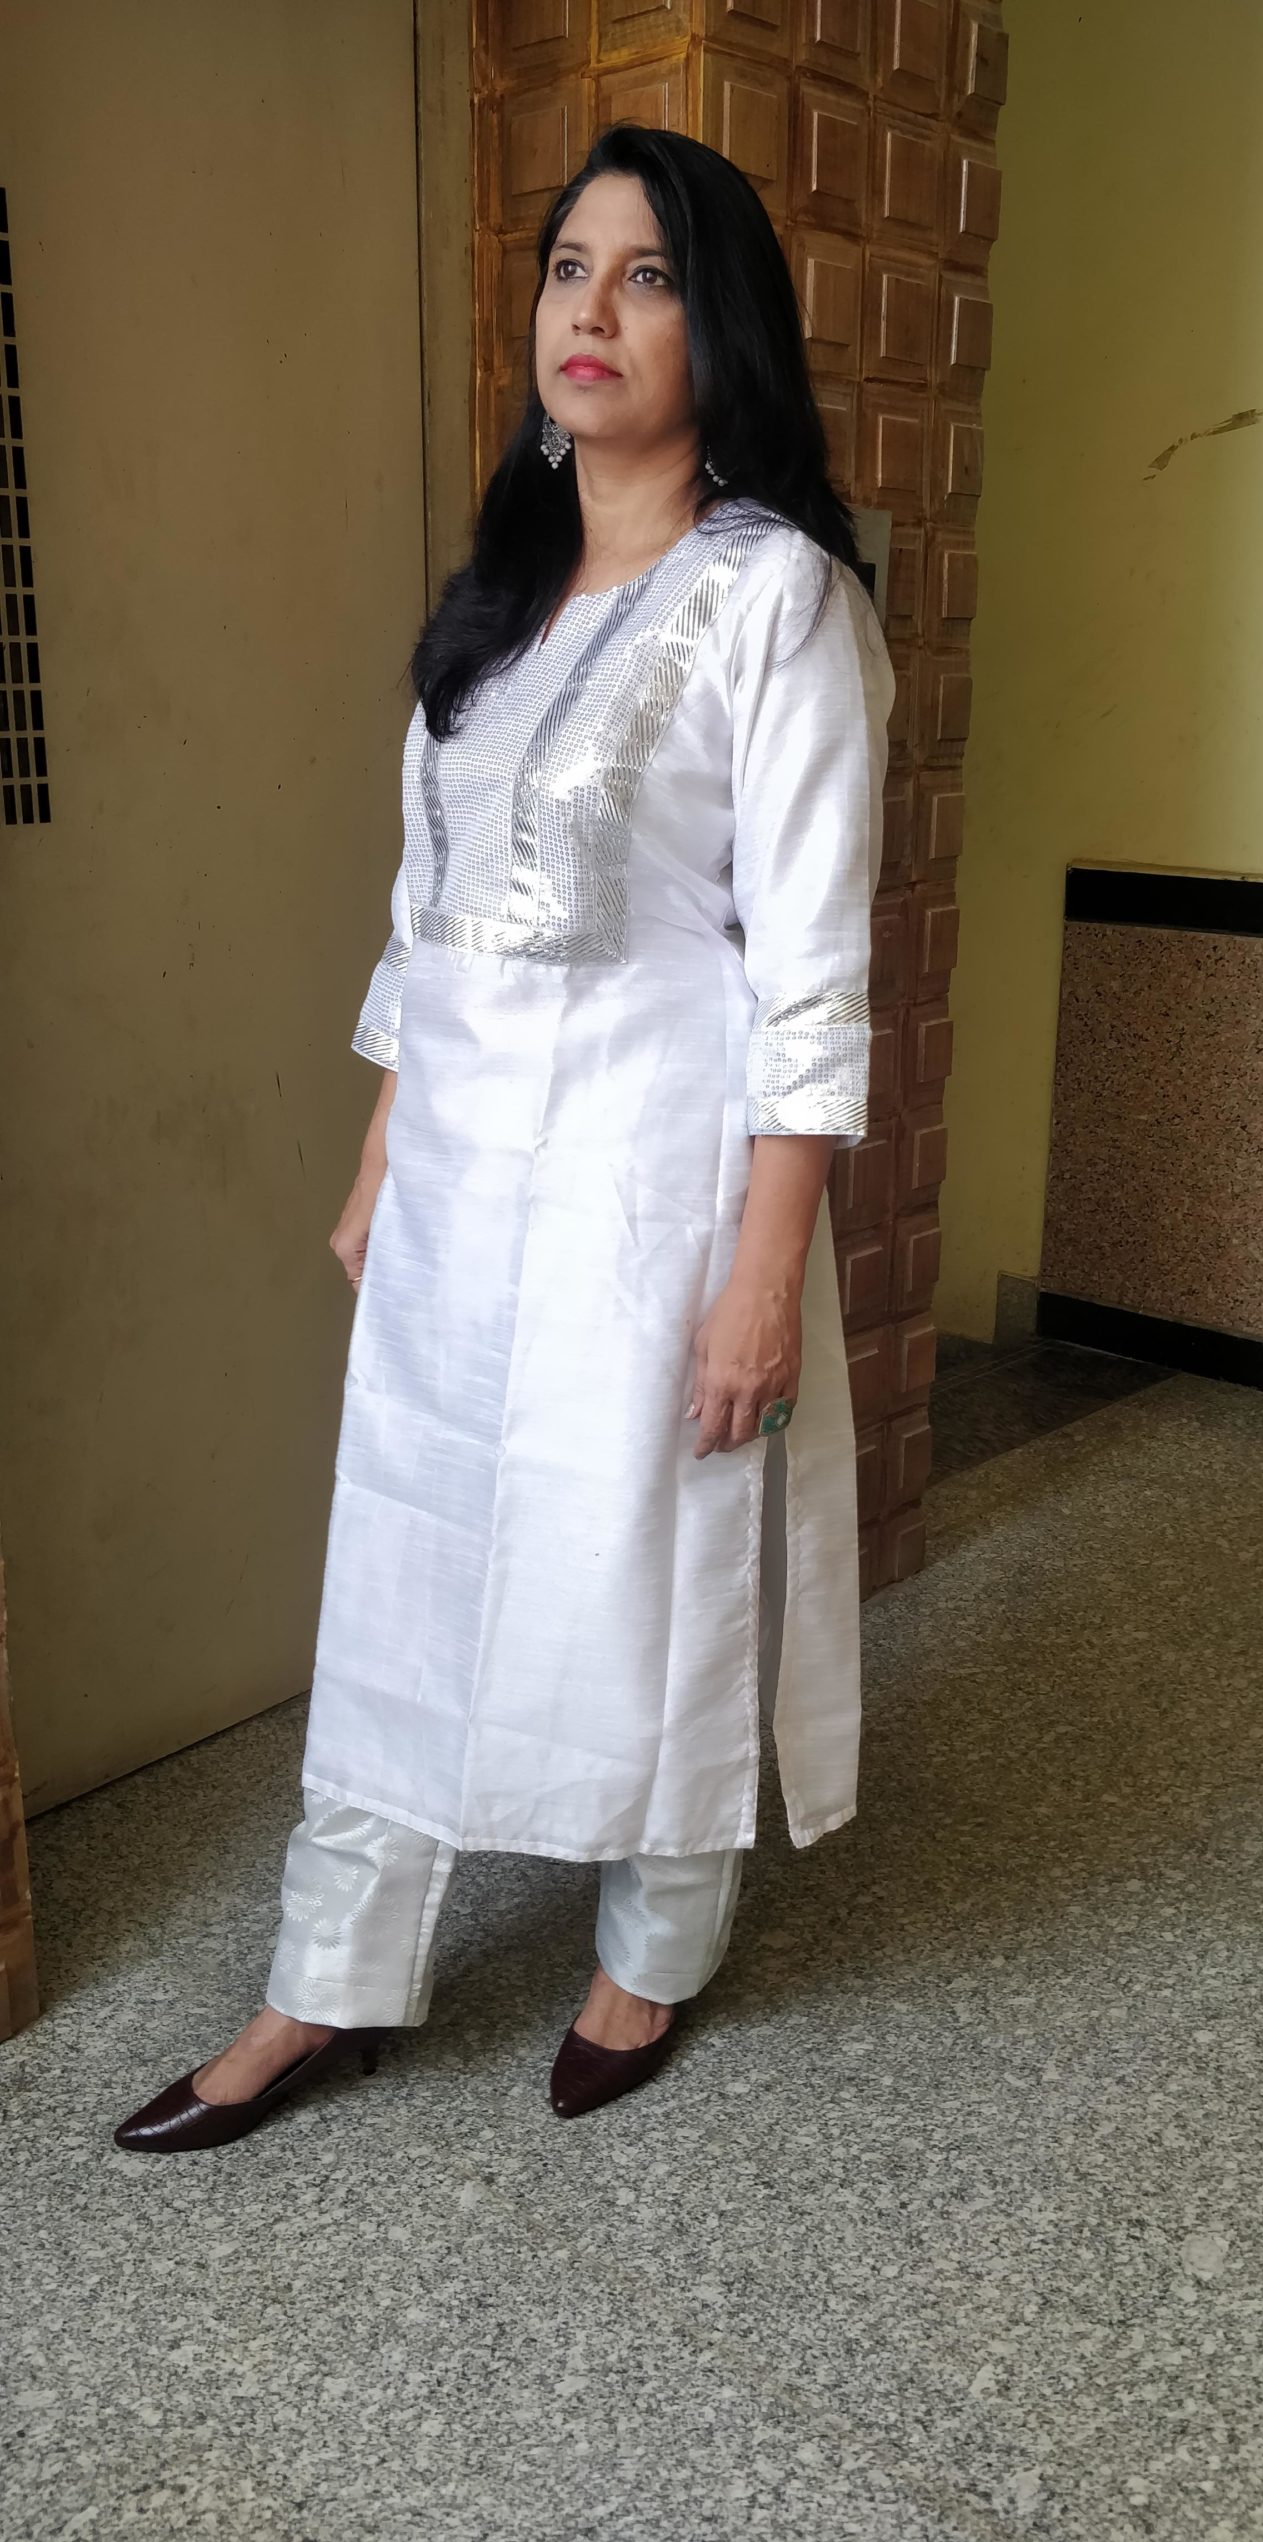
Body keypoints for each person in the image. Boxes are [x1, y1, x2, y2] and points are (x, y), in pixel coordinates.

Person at [114, 120, 894, 2153]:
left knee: (649, 1549)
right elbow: (429, 911)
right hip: (461, 1178)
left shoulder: (778, 601)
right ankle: (326, 1979)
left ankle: (654, 1942)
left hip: (657, 1174)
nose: (592, 310)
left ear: (721, 328)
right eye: (568, 268)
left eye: (648, 275)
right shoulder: (497, 607)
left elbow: (812, 972)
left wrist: (762, 1273)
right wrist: (383, 1157)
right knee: (405, 1551)